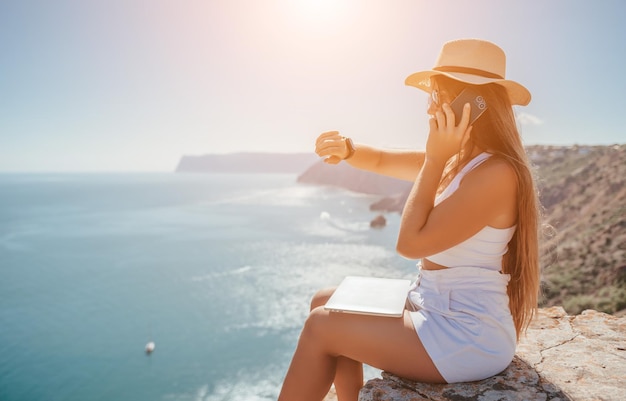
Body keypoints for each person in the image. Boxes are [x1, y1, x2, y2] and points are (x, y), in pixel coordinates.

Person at [278, 38, 541, 401]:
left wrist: (435, 159)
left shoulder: (496, 173)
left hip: (466, 334)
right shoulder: (461, 162)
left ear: (472, 104)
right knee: (324, 300)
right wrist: (349, 149)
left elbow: (410, 244)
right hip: (434, 302)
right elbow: (384, 160)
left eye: (438, 95)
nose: (431, 107)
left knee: (322, 327)